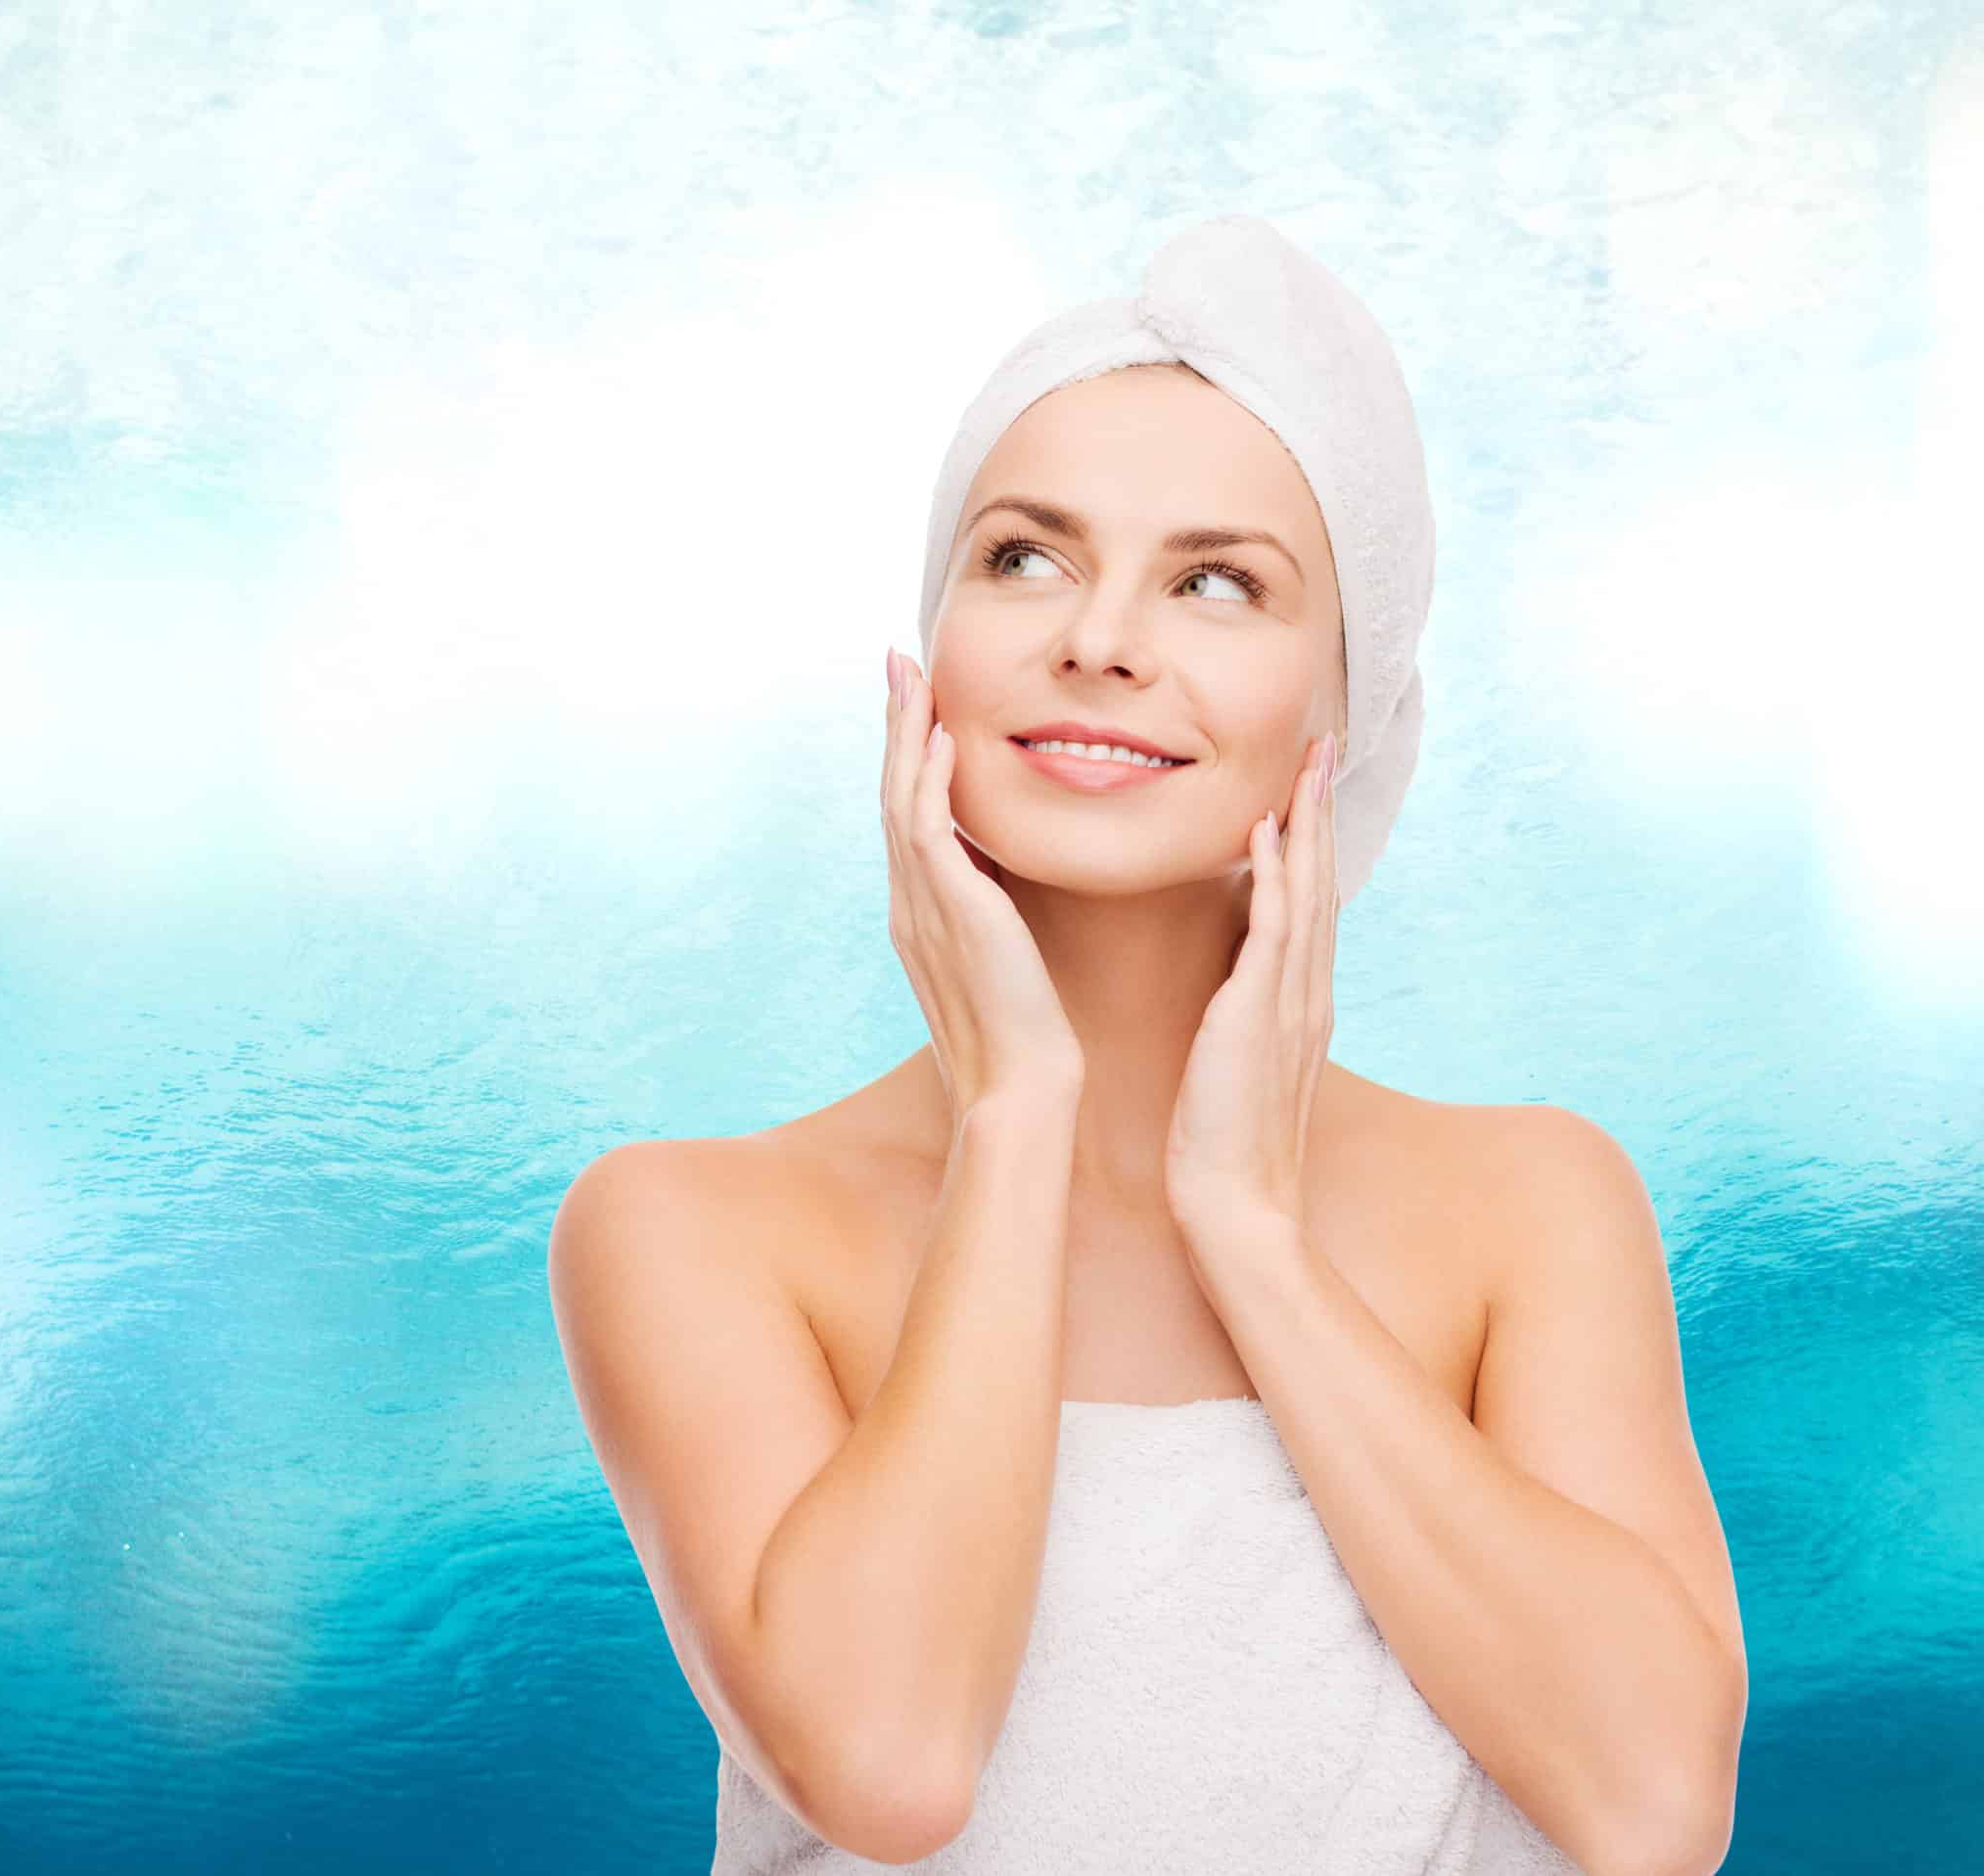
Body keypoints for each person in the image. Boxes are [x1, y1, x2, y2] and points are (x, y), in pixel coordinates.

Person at [547, 215, 1745, 1874]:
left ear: (1347, 711)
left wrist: (1251, 1232)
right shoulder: (688, 1231)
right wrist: (1016, 1117)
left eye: (1215, 581)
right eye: (1024, 555)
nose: (1098, 637)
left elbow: (1655, 1810)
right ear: (927, 657)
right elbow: (890, 1763)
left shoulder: (1532, 1205)